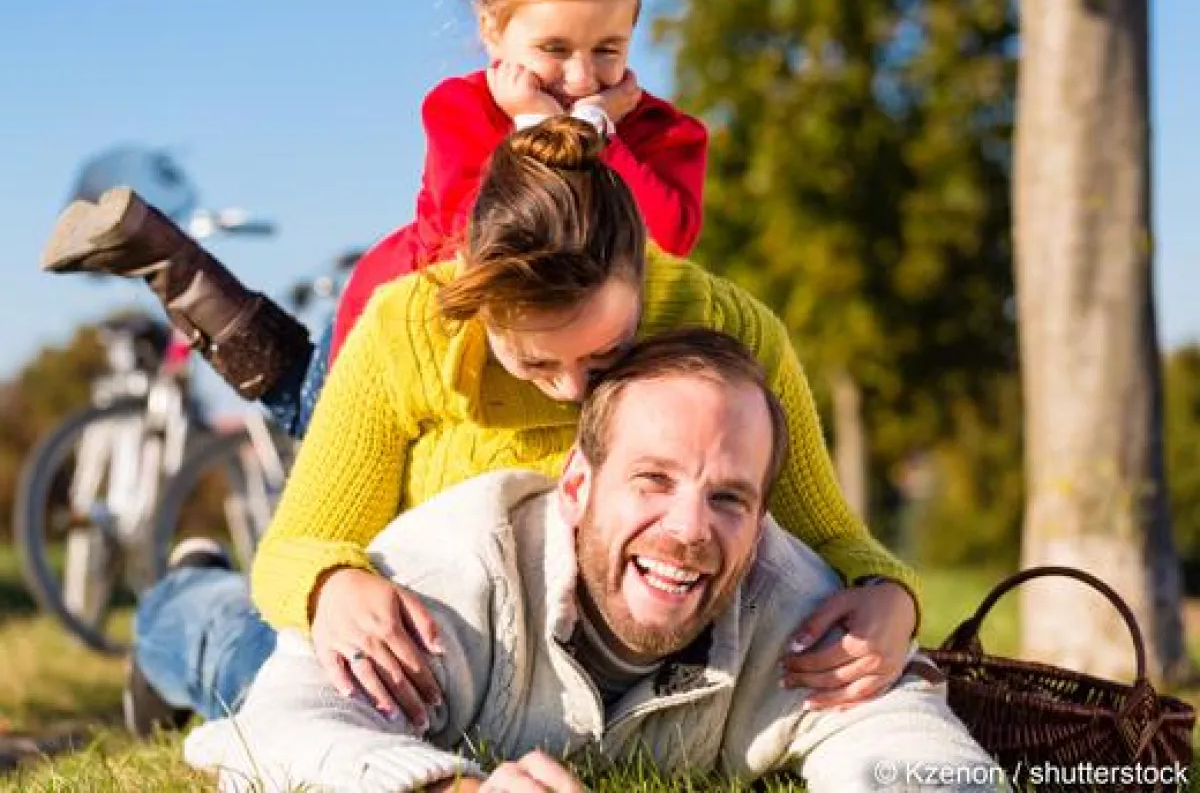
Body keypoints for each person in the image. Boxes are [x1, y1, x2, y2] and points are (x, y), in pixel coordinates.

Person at [126, 116, 921, 739]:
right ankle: (183, 597)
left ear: (642, 273)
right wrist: (331, 586)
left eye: (607, 355)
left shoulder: (730, 330)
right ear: (475, 291)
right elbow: (296, 546)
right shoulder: (408, 328)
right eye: (537, 365)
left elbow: (837, 539)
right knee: (247, 662)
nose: (575, 390)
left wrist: (890, 599)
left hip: (598, 672)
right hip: (437, 663)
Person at [177, 329, 1003, 792]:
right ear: (576, 483)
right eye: (653, 480)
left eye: (729, 498)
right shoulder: (446, 571)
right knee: (219, 642)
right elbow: (271, 733)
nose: (688, 530)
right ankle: (188, 581)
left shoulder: (792, 604)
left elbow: (911, 747)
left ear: (761, 517)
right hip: (302, 620)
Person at [38, 0, 706, 439]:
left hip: (531, 349)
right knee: (305, 410)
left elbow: (670, 236)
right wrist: (539, 125)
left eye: (608, 48)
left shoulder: (656, 133)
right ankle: (166, 259)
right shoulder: (462, 111)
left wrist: (599, 131)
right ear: (493, 29)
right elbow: (468, 243)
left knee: (298, 389)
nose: (581, 76)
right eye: (554, 47)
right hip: (392, 317)